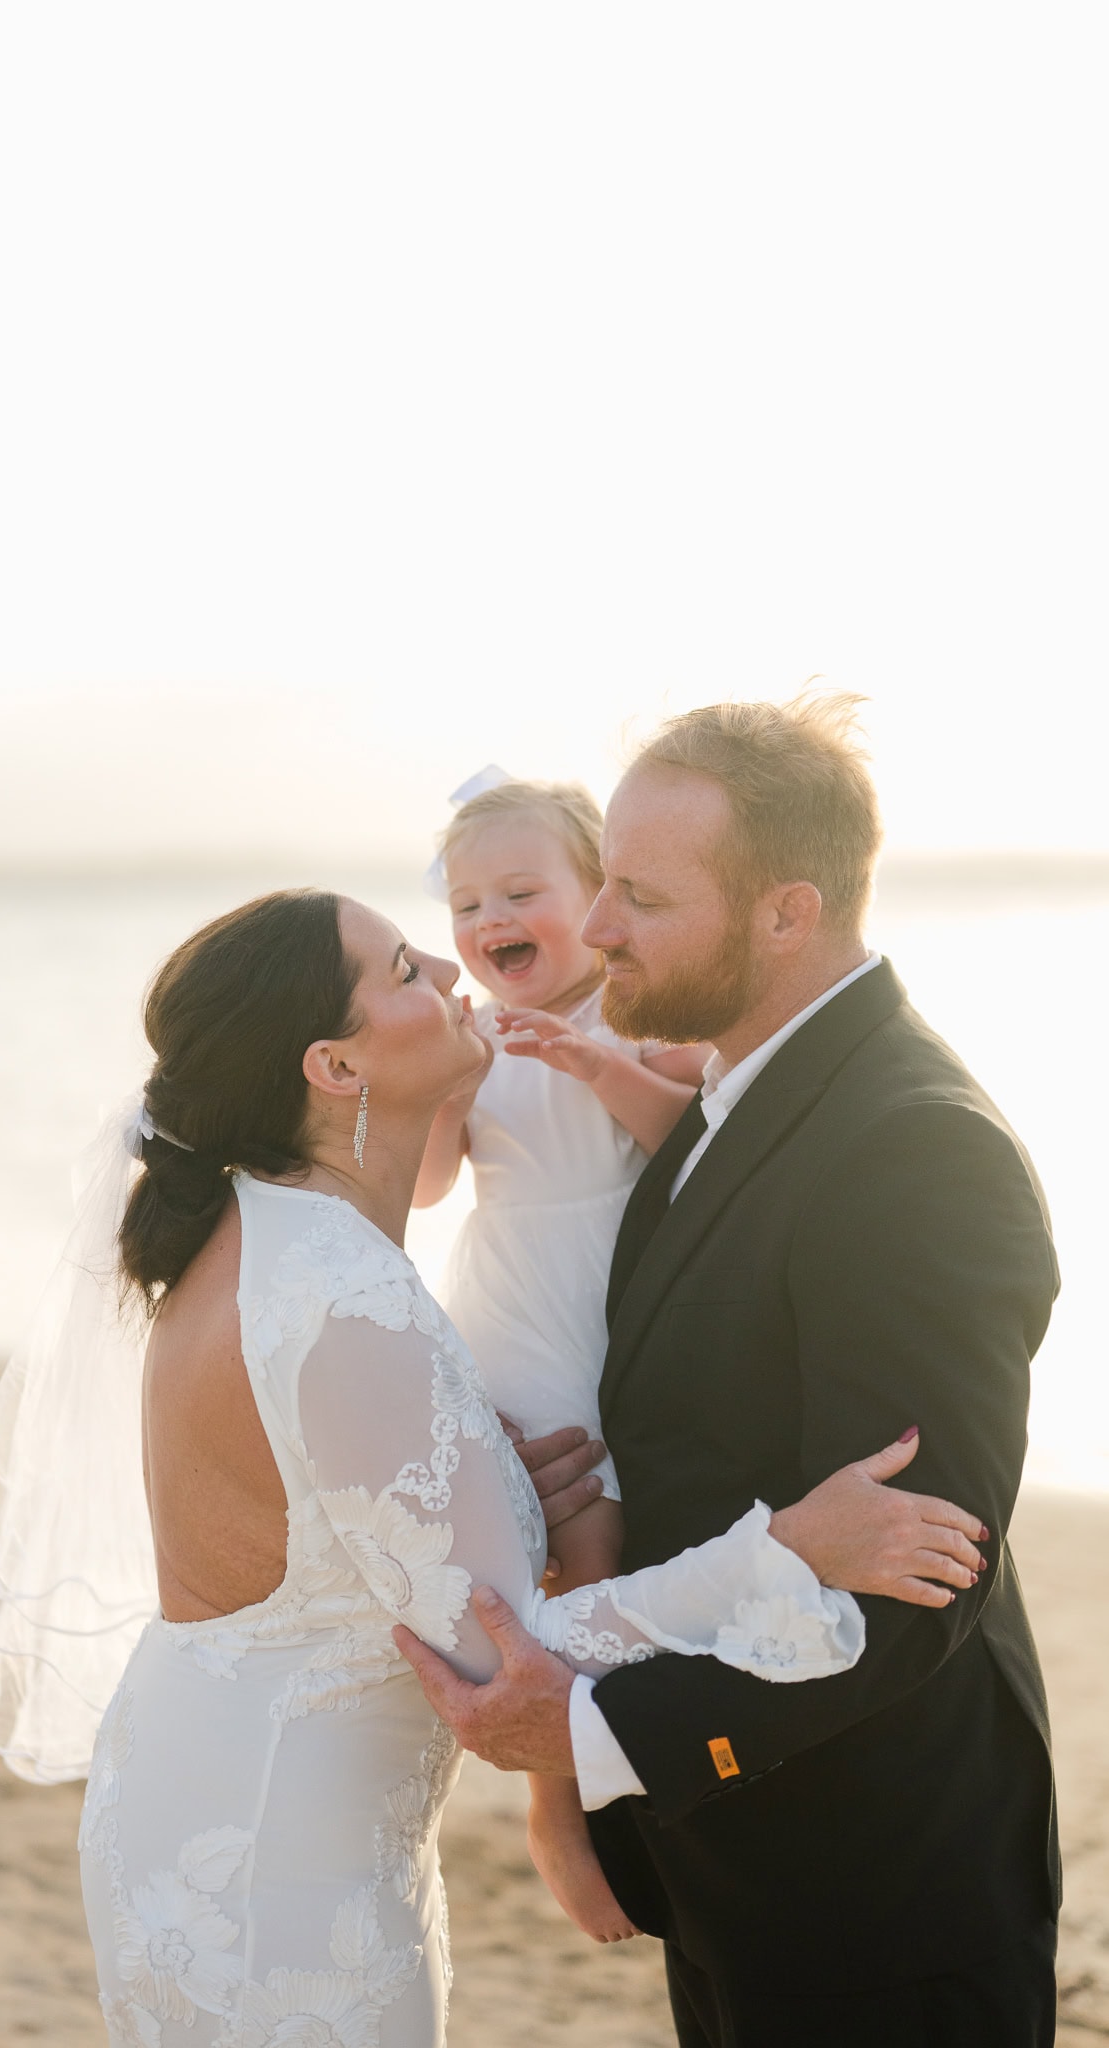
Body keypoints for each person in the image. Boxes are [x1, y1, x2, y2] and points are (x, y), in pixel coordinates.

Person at [0, 887, 988, 2048]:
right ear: (336, 1066)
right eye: (400, 968)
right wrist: (785, 1550)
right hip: (276, 1857)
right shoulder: (344, 1294)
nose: (447, 965)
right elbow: (507, 1658)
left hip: (211, 1797)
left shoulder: (259, 1232)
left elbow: (314, 1523)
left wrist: (492, 1488)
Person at [396, 696, 1060, 2048]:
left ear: (783, 914)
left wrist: (596, 1734)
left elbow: (917, 1579)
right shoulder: (719, 1099)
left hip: (872, 1886)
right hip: (732, 1856)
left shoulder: (912, 1149)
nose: (590, 933)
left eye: (636, 896)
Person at [413, 771, 705, 1935]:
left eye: (520, 891)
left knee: (642, 1543)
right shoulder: (475, 1039)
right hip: (517, 1308)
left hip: (622, 1305)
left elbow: (687, 1135)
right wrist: (449, 1090)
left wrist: (590, 1060)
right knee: (574, 1545)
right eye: (466, 903)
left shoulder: (641, 1013)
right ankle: (558, 1801)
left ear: (595, 896)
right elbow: (432, 1183)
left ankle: (642, 1772)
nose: (489, 922)